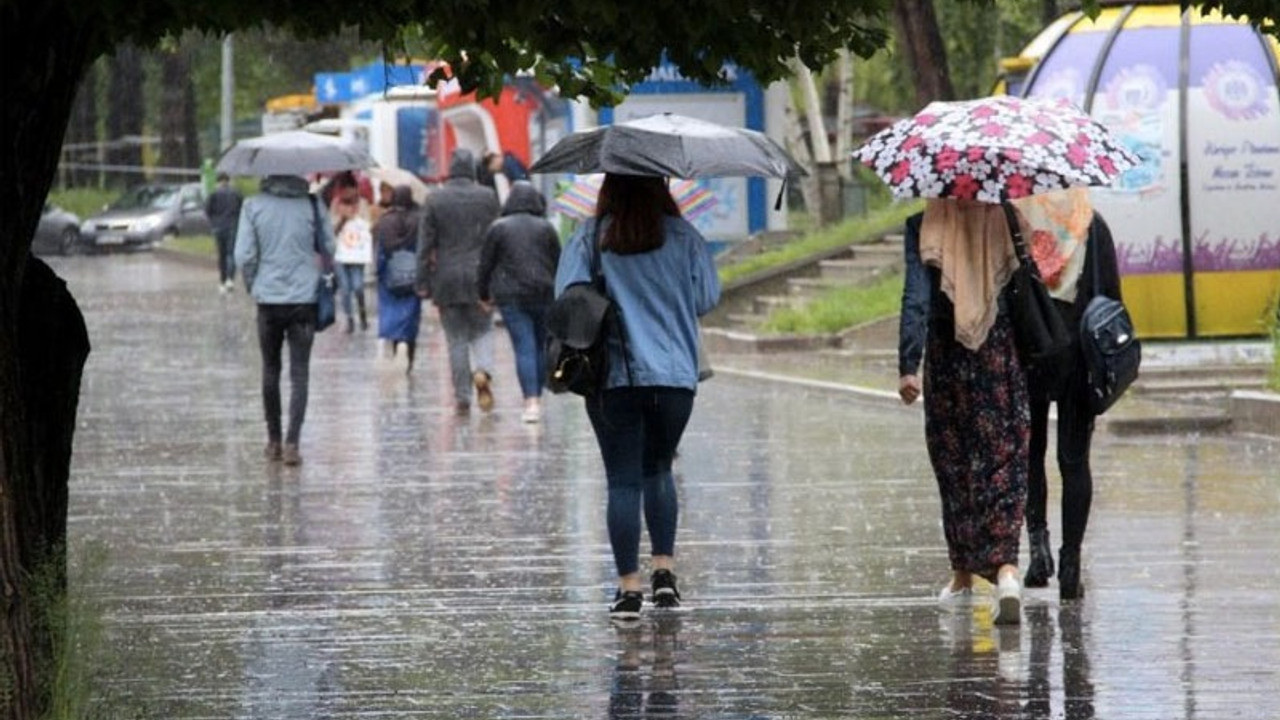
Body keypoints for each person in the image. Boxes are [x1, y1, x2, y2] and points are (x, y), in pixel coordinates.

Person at [554, 173, 720, 621]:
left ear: (608, 188)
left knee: (623, 480)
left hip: (614, 375)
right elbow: (706, 297)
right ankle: (664, 576)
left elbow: (566, 300)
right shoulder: (684, 235)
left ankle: (628, 589)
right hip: (674, 377)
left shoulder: (590, 237)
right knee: (659, 469)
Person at [897, 198, 1028, 625]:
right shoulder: (1006, 218)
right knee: (1003, 458)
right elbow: (1027, 286)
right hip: (999, 353)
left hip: (946, 356)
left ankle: (963, 577)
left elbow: (915, 296)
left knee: (954, 464)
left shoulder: (923, 224)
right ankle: (1007, 571)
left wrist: (908, 365)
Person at [1012, 189, 1122, 601]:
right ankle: (1071, 562)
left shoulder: (1018, 223)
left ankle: (1039, 553)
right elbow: (1110, 299)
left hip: (1029, 352)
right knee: (1074, 461)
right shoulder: (1093, 225)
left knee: (1029, 455)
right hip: (1079, 355)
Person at [234, 174, 334, 467]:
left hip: (269, 300)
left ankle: (273, 440)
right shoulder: (313, 205)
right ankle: (293, 442)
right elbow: (330, 246)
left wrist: (255, 285)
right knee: (300, 373)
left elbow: (244, 255)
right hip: (305, 300)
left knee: (270, 369)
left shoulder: (253, 206)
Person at [417, 148, 502, 413]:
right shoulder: (487, 197)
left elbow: (424, 245)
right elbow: (495, 238)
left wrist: (422, 282)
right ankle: (483, 370)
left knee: (456, 340)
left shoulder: (435, 199)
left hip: (447, 277)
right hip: (481, 276)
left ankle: (463, 397)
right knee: (483, 330)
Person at [477, 181, 561, 423]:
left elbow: (486, 264)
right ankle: (539, 394)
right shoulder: (546, 227)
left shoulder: (498, 228)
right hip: (544, 293)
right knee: (540, 345)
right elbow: (558, 261)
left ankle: (531, 402)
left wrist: (483, 294)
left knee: (524, 346)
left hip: (511, 296)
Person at [372, 185, 424, 372]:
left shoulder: (384, 222)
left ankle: (395, 344)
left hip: (390, 277)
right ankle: (408, 351)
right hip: (412, 275)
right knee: (410, 315)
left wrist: (378, 272)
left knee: (391, 313)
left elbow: (379, 251)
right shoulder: (419, 220)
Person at [331, 187, 372, 333]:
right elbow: (331, 233)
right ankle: (349, 318)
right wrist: (342, 219)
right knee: (345, 288)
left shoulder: (363, 206)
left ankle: (362, 313)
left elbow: (368, 229)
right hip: (341, 257)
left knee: (358, 286)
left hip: (357, 256)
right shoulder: (336, 208)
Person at [205, 172, 243, 292]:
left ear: (218, 181)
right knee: (230, 253)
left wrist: (214, 222)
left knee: (221, 255)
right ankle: (230, 280)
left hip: (218, 227)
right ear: (228, 180)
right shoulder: (236, 193)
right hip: (233, 226)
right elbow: (242, 209)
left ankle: (222, 280)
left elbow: (207, 210)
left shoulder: (213, 194)